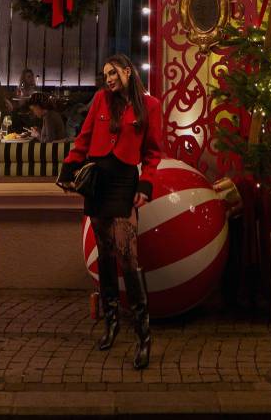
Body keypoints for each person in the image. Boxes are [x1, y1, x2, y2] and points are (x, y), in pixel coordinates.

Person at [58, 53, 164, 370]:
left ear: (128, 72)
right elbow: (85, 137)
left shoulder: (151, 106)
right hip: (98, 182)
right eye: (105, 74)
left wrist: (145, 187)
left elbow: (153, 153)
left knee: (127, 256)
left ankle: (143, 335)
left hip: (124, 183)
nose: (109, 78)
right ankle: (111, 322)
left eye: (113, 72)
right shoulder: (101, 100)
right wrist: (68, 169)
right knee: (105, 253)